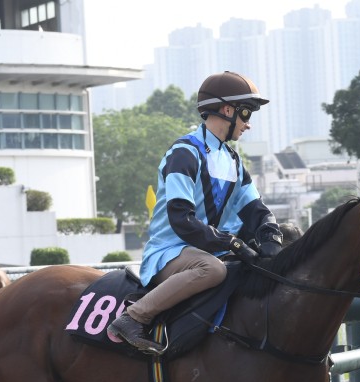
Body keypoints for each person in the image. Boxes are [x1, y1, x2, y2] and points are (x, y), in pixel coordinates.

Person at [107, 70, 284, 354]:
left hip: (209, 250)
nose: (248, 125)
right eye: (247, 113)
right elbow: (182, 221)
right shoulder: (184, 153)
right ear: (228, 110)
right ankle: (133, 318)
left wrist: (272, 238)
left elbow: (256, 210)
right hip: (170, 253)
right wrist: (232, 243)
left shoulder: (234, 162)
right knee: (212, 270)